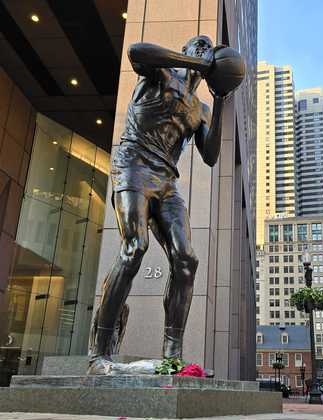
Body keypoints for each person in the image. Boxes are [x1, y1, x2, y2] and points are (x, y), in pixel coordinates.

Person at [88, 36, 237, 375]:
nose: (204, 49)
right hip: (133, 165)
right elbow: (136, 52)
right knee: (134, 247)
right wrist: (197, 63)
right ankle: (99, 356)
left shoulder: (201, 110)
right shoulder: (161, 74)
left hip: (166, 181)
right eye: (197, 45)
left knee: (187, 259)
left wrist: (221, 100)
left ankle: (172, 357)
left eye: (208, 48)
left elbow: (211, 157)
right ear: (184, 52)